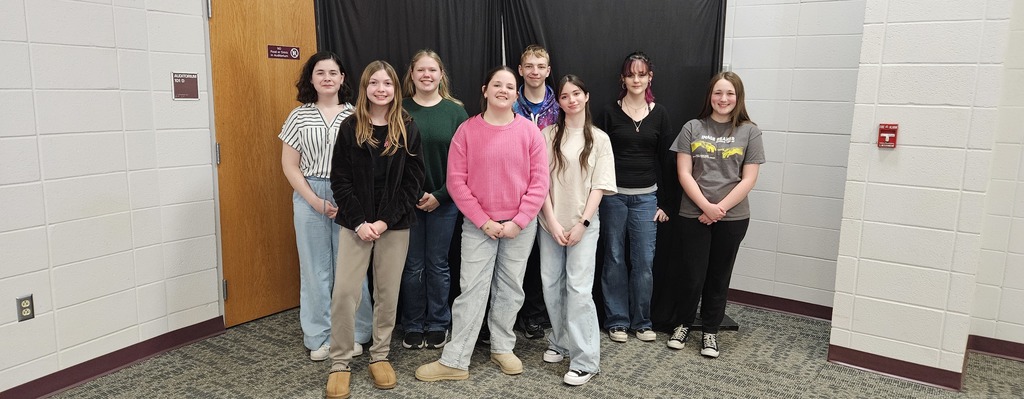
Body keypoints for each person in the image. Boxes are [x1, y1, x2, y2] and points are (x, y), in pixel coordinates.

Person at [415, 66, 549, 382]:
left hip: (520, 226)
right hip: (479, 225)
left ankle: (502, 347)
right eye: (497, 85)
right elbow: (456, 182)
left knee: (511, 288)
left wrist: (519, 220)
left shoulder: (530, 132)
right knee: (471, 290)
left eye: (509, 86)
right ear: (485, 90)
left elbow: (540, 181)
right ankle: (456, 360)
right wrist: (484, 221)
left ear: (517, 94)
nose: (503, 90)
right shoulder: (467, 131)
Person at [325, 60, 425, 398]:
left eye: (387, 84)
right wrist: (359, 222)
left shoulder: (408, 128)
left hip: (394, 226)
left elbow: (412, 185)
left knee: (387, 294)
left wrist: (384, 222)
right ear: (365, 87)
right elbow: (340, 180)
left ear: (396, 89)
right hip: (355, 224)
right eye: (374, 83)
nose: (381, 89)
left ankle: (379, 354)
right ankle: (340, 362)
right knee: (344, 294)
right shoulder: (350, 127)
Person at [277, 51, 373, 362]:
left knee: (352, 269)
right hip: (310, 192)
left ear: (343, 78)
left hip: (351, 194)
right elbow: (290, 166)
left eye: (333, 72)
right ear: (311, 79)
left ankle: (356, 333)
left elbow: (366, 163)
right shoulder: (298, 116)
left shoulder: (358, 115)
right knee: (315, 268)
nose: (327, 78)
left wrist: (349, 201)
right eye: (320, 73)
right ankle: (319, 336)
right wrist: (316, 201)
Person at [666, 71, 764, 358]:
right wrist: (706, 207)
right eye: (718, 93)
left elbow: (749, 179)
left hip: (732, 218)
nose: (723, 99)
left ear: (738, 97)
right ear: (710, 96)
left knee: (719, 276)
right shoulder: (692, 128)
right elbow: (683, 173)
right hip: (693, 214)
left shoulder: (750, 131)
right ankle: (683, 324)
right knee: (692, 276)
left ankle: (710, 330)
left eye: (730, 93)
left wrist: (719, 209)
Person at [537, 75, 616, 386]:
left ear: (586, 97)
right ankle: (560, 341)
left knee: (579, 291)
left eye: (576, 94)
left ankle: (585, 361)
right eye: (565, 96)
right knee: (550, 286)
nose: (571, 100)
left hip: (583, 225)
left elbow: (600, 186)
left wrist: (582, 223)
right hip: (550, 224)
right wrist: (553, 222)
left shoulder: (599, 139)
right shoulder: (546, 136)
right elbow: (540, 184)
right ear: (558, 102)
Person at [598, 51, 672, 343]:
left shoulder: (661, 114)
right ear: (623, 79)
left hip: (647, 200)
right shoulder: (608, 112)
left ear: (650, 77)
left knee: (643, 262)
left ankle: (642, 321)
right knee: (614, 258)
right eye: (631, 74)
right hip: (613, 198)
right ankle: (617, 320)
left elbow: (665, 161)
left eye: (642, 74)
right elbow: (599, 159)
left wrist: (664, 203)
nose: (636, 79)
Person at [398, 50, 469, 350]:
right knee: (412, 265)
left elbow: (465, 163)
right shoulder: (397, 110)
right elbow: (391, 159)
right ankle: (413, 324)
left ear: (441, 75)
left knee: (438, 264)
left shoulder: (456, 112)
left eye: (433, 70)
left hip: (445, 201)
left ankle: (439, 322)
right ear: (411, 74)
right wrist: (413, 195)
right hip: (406, 202)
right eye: (421, 70)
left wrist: (440, 195)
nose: (427, 75)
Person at [509, 44, 560, 340]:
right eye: (529, 66)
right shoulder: (509, 102)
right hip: (517, 192)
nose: (535, 72)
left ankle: (535, 316)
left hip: (554, 191)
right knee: (517, 260)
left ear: (548, 71)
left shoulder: (561, 106)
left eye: (540, 66)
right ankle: (509, 316)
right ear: (520, 70)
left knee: (545, 259)